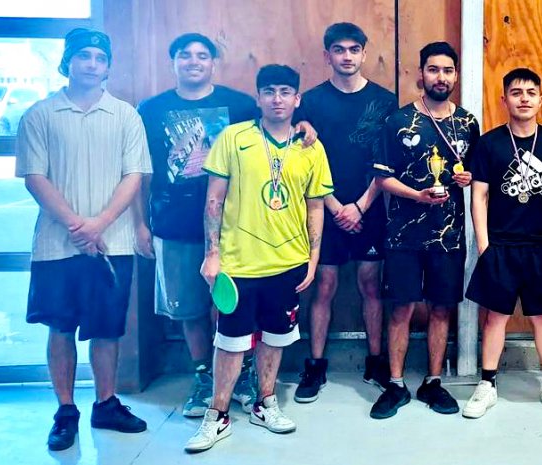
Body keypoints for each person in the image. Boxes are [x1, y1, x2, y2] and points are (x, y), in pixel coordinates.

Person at [136, 33, 317, 417]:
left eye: (202, 55)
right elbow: (142, 170)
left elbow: (274, 127)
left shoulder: (239, 105)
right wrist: (141, 222)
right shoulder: (151, 109)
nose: (194, 61)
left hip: (235, 228)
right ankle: (204, 376)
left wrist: (304, 126)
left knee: (232, 307)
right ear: (173, 62)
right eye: (185, 55)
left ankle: (245, 375)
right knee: (190, 309)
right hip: (174, 224)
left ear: (213, 63)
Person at [184, 64, 333, 453]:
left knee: (276, 337)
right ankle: (217, 414)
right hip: (239, 263)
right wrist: (212, 254)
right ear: (258, 98)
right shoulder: (233, 138)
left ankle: (265, 403)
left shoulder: (311, 147)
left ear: (297, 99)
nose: (277, 99)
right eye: (269, 91)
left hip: (288, 262)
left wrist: (313, 257)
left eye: (285, 92)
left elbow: (315, 205)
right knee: (230, 341)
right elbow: (213, 199)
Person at [15, 28, 152, 451]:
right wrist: (78, 225)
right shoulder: (40, 114)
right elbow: (34, 177)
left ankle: (106, 403)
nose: (92, 64)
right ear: (67, 63)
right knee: (60, 326)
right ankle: (65, 411)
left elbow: (134, 175)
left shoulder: (126, 115)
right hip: (57, 245)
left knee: (107, 328)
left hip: (114, 243)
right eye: (83, 56)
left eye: (99, 57)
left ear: (108, 66)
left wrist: (100, 224)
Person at [372, 41, 480, 419]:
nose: (441, 77)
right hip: (402, 234)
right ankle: (396, 384)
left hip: (448, 235)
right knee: (401, 307)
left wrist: (467, 178)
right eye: (433, 69)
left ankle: (433, 382)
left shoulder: (467, 123)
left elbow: (474, 173)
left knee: (441, 308)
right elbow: (382, 178)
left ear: (455, 75)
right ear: (421, 74)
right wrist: (417, 195)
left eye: (447, 70)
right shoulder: (398, 121)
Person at [463, 68, 542, 419]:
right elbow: (478, 196)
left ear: (541, 100)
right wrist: (485, 246)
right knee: (495, 316)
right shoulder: (489, 144)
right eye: (516, 92)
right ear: (504, 100)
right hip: (501, 245)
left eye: (530, 92)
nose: (524, 98)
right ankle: (487, 384)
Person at [293, 22, 398, 403]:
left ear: (364, 54)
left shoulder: (385, 102)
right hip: (325, 210)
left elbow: (386, 162)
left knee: (371, 285)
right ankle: (316, 365)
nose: (347, 56)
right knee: (324, 286)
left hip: (370, 208)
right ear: (328, 56)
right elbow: (305, 163)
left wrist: (361, 206)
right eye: (339, 50)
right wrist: (337, 208)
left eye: (354, 49)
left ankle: (375, 361)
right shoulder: (311, 103)